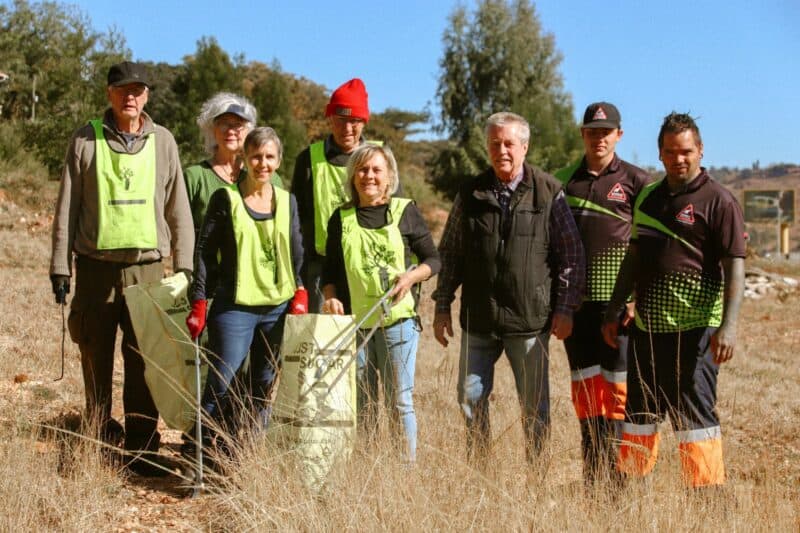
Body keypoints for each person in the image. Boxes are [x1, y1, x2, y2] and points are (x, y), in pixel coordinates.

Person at [49, 61, 195, 476]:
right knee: (94, 356)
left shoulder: (164, 141)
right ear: (109, 94)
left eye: (137, 90)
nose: (130, 96)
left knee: (144, 360)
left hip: (147, 270)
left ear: (147, 95)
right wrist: (60, 267)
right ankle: (97, 440)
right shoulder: (84, 140)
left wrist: (183, 266)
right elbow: (67, 207)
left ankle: (143, 448)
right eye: (121, 90)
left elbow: (178, 208)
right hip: (94, 269)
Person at [601, 112, 745, 489]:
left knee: (693, 418)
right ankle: (631, 492)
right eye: (670, 152)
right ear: (660, 154)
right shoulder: (648, 197)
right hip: (648, 328)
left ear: (700, 151)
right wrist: (616, 307)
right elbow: (632, 258)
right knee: (640, 413)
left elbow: (735, 266)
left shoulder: (719, 201)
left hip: (696, 328)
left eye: (686, 151)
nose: (679, 159)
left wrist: (728, 326)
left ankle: (707, 501)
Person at [433, 112, 585, 463]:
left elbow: (571, 255)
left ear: (524, 147)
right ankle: (480, 474)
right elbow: (451, 251)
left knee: (534, 408)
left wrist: (564, 308)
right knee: (469, 399)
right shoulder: (470, 193)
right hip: (479, 319)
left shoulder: (548, 192)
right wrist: (443, 304)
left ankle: (536, 476)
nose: (502, 150)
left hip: (529, 322)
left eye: (509, 143)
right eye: (494, 143)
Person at [185, 127, 307, 455]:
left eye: (269, 157)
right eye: (256, 156)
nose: (262, 163)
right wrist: (199, 300)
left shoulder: (287, 201)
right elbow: (205, 253)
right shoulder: (225, 199)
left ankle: (247, 459)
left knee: (263, 388)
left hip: (277, 309)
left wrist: (299, 289)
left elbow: (297, 251)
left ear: (279, 161)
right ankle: (200, 456)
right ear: (244, 158)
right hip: (234, 307)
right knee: (221, 385)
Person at [321, 144, 439, 462]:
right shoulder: (341, 218)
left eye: (376, 170)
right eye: (362, 169)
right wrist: (330, 297)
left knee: (399, 401)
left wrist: (410, 278)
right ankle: (370, 466)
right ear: (353, 176)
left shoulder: (404, 211)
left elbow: (432, 260)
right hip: (356, 325)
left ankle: (405, 471)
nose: (369, 176)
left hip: (398, 322)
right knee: (364, 401)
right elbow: (329, 271)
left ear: (389, 177)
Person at [554, 102, 651, 484]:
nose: (599, 138)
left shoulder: (637, 182)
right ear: (582, 134)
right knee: (588, 397)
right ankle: (594, 478)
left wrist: (633, 299)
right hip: (577, 310)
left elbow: (651, 246)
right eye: (592, 132)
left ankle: (624, 481)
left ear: (619, 136)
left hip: (619, 313)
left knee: (620, 397)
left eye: (606, 132)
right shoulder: (562, 181)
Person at [293, 78, 397, 312]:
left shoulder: (382, 157)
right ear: (330, 119)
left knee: (368, 341)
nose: (347, 129)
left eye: (354, 121)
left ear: (364, 122)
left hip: (371, 266)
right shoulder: (309, 159)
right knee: (325, 342)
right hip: (321, 269)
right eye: (340, 120)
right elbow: (297, 219)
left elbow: (397, 214)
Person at [185, 93, 285, 237]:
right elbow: (179, 231)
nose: (231, 131)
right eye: (224, 123)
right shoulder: (195, 177)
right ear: (213, 129)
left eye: (238, 125)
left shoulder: (270, 177)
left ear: (249, 131)